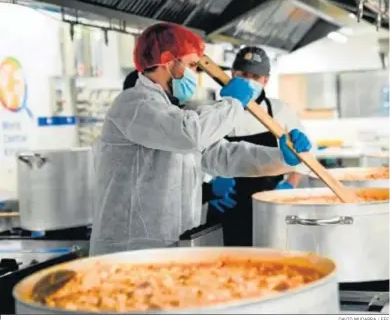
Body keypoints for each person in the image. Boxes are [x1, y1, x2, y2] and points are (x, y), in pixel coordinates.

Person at [89, 23, 312, 256]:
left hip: (172, 242)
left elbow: (225, 156)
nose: (194, 75)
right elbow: (190, 135)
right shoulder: (134, 104)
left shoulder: (170, 112)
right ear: (168, 60)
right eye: (192, 66)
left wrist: (283, 158)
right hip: (130, 249)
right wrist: (233, 103)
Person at [205, 46, 313, 246]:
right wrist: (209, 191)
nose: (248, 80)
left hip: (269, 204)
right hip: (227, 205)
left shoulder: (279, 111)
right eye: (243, 74)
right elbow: (197, 157)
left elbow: (305, 157)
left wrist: (290, 184)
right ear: (232, 74)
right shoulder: (214, 112)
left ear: (265, 80)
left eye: (255, 76)